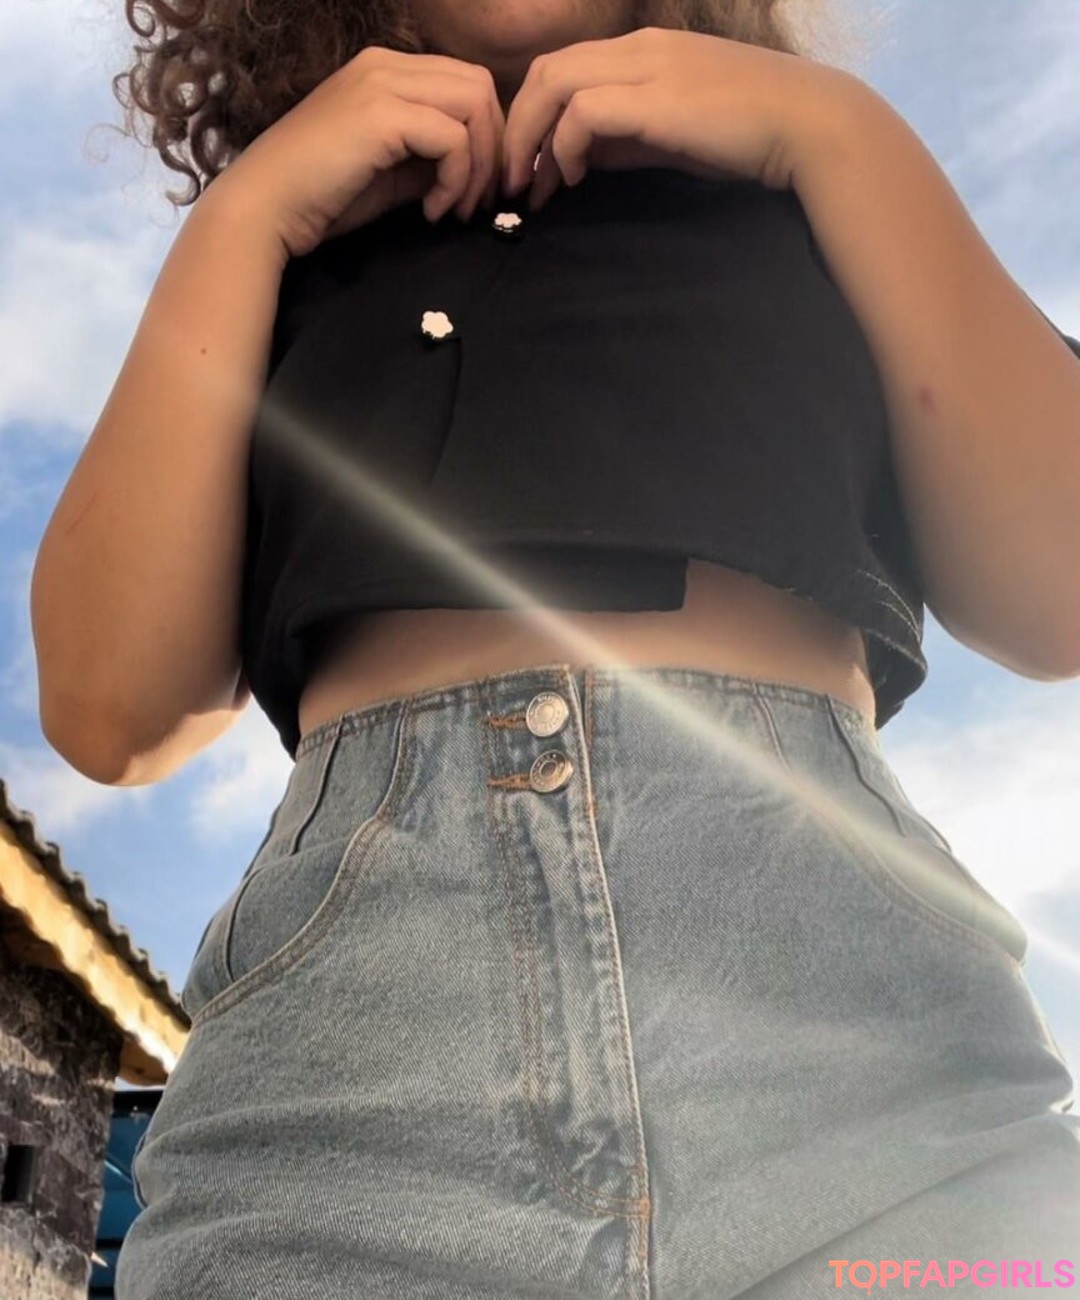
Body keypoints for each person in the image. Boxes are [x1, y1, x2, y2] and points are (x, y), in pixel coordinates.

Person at [31, 1, 1080, 1295]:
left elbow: (1060, 591)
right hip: (350, 1095)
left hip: (877, 1070)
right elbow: (109, 706)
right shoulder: (288, 245)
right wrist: (241, 220)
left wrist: (838, 136)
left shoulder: (814, 187)